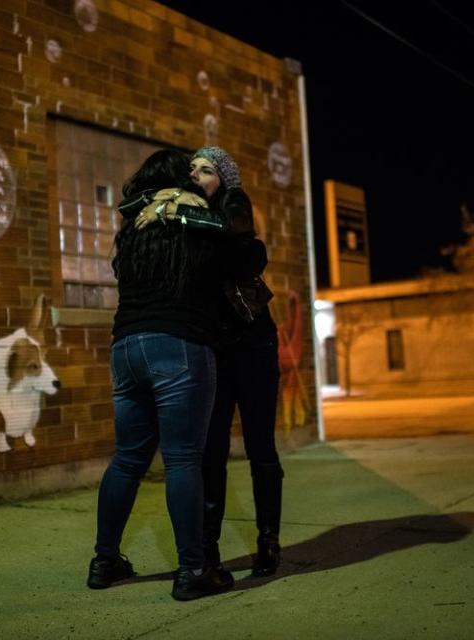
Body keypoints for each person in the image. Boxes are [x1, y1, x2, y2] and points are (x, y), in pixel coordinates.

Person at [87, 149, 262, 602]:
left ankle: (105, 560)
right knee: (184, 459)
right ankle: (193, 570)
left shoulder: (136, 228)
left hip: (126, 347)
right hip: (179, 345)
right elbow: (243, 259)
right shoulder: (192, 217)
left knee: (127, 458)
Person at [128, 146, 283, 579]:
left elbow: (242, 247)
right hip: (212, 349)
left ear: (224, 178)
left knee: (260, 448)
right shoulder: (183, 211)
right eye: (192, 168)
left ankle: (268, 540)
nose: (196, 175)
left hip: (252, 345)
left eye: (207, 169)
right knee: (210, 451)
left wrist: (173, 211)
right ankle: (208, 549)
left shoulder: (231, 207)